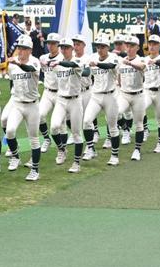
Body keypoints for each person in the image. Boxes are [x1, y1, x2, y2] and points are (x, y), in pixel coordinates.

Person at [1, 35, 42, 181]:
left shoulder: (35, 62)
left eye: (24, 49)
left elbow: (29, 69)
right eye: (19, 48)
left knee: (34, 139)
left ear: (30, 50)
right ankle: (15, 156)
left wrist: (17, 64)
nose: (21, 51)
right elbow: (11, 80)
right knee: (10, 131)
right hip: (18, 104)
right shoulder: (12, 65)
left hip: (32, 105)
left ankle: (35, 170)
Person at [82, 35, 121, 166]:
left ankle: (115, 155)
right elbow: (86, 71)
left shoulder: (113, 57)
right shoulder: (91, 57)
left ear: (108, 47)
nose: (99, 49)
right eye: (98, 46)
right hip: (96, 95)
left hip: (111, 95)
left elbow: (110, 65)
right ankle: (91, 148)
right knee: (87, 121)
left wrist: (97, 64)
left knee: (113, 127)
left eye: (102, 46)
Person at [50, 38, 87, 172]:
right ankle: (62, 149)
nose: (64, 50)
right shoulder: (57, 64)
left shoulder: (77, 61)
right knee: (54, 127)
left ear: (72, 49)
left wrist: (58, 62)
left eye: (67, 47)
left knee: (77, 133)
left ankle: (76, 163)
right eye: (62, 47)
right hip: (61, 99)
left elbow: (71, 65)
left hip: (75, 100)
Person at [141, 35, 160, 153]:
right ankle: (145, 129)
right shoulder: (144, 59)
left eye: (155, 44)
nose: (152, 46)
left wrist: (155, 61)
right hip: (147, 91)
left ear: (159, 45)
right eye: (150, 44)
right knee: (140, 109)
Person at [38, 33, 63, 154]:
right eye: (49, 43)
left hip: (61, 93)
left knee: (60, 124)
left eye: (53, 43)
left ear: (58, 45)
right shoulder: (43, 57)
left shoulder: (63, 58)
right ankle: (47, 139)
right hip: (47, 92)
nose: (50, 46)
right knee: (40, 115)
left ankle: (61, 150)